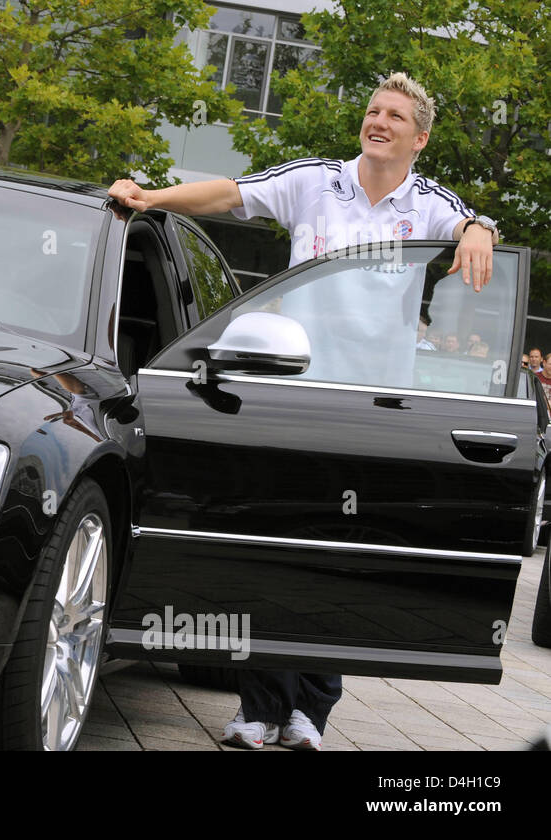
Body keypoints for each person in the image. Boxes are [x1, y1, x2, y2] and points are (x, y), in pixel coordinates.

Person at [109, 72, 497, 751]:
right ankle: (257, 710)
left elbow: (469, 221)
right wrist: (149, 197)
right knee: (276, 553)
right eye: (372, 110)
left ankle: (311, 716)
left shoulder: (427, 203)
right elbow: (232, 193)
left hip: (374, 411)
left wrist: (479, 231)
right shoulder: (315, 181)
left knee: (338, 562)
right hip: (291, 394)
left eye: (394, 116)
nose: (378, 121)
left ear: (420, 138)